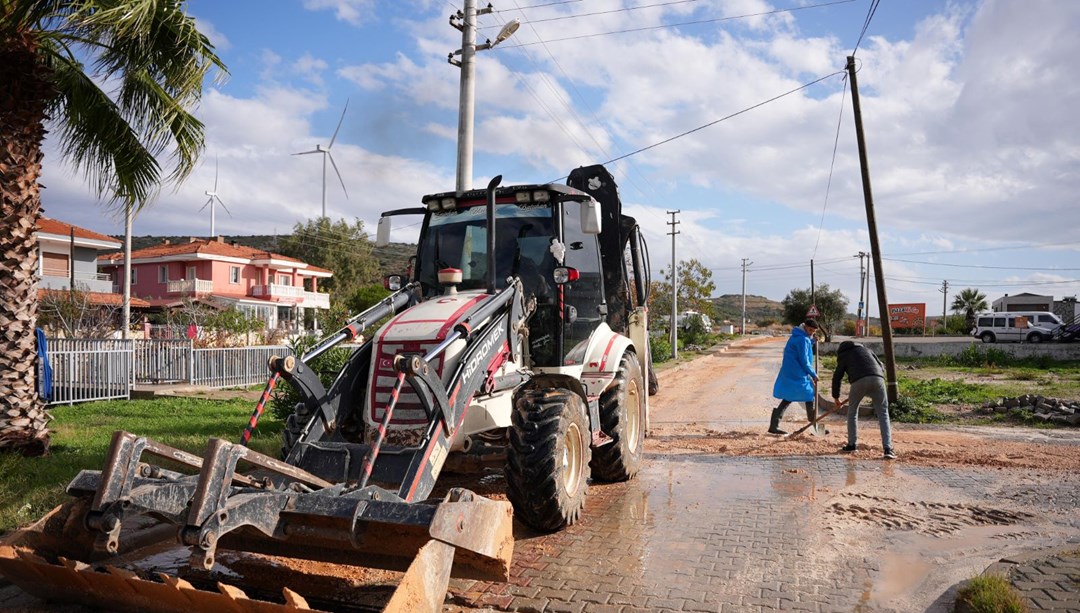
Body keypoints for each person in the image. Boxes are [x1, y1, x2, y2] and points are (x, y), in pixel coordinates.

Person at [831, 340, 896, 459]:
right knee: (883, 413)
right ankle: (888, 449)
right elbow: (882, 366)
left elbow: (837, 376)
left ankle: (852, 445)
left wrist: (836, 397)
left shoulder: (844, 355)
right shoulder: (867, 350)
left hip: (858, 381)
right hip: (878, 379)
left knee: (852, 412)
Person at [768, 319, 820, 435]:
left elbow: (799, 349)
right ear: (805, 327)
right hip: (797, 372)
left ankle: (774, 425)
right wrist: (813, 374)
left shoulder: (797, 335)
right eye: (810, 330)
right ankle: (815, 427)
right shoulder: (803, 339)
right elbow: (804, 360)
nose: (811, 333)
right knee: (809, 395)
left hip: (790, 371)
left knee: (788, 397)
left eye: (813, 331)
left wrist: (811, 342)